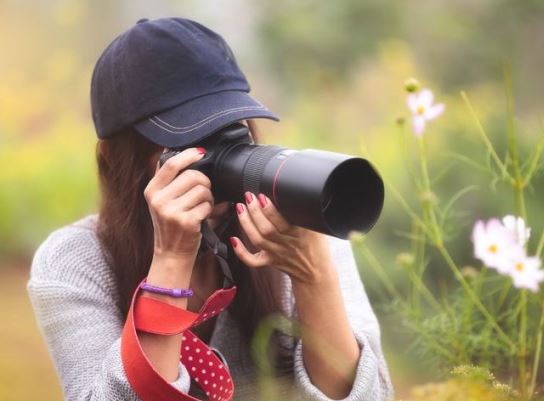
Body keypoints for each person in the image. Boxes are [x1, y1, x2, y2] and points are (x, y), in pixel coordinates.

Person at [26, 17, 393, 401]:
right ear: (118, 162)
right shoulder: (75, 262)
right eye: (191, 141)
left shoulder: (301, 226)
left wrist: (314, 276)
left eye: (231, 132)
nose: (223, 162)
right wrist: (171, 259)